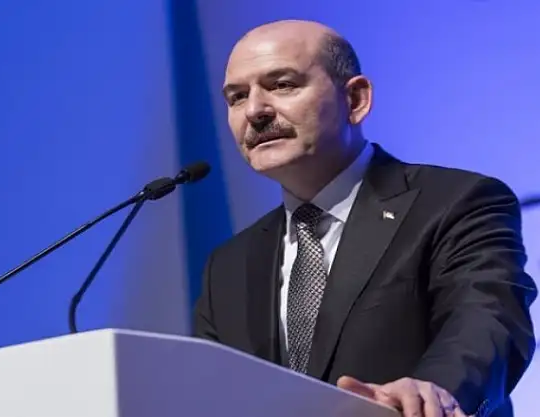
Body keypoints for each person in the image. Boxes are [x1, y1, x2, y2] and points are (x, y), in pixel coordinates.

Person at [192, 19, 537, 417]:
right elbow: (207, 391)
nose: (254, 111)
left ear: (355, 100)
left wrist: (437, 391)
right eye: (237, 97)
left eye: (282, 84)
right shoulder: (228, 265)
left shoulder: (457, 202)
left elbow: (487, 319)